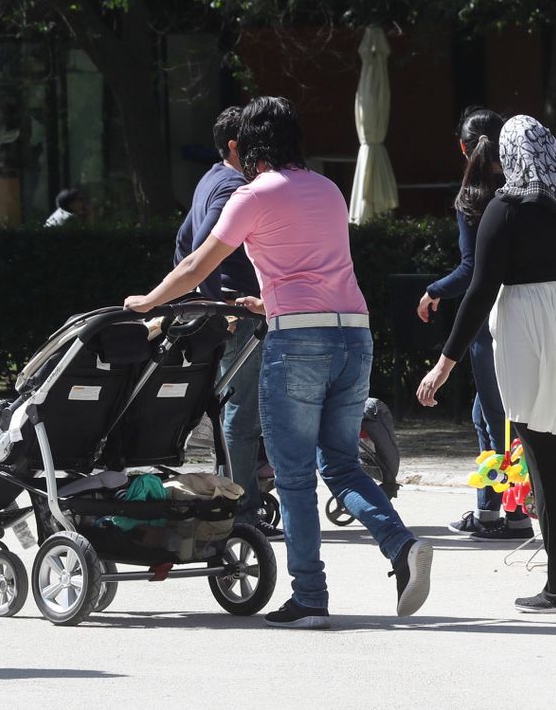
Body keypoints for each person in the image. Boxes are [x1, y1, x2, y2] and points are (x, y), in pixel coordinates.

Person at [125, 96, 432, 628]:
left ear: (252, 144)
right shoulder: (330, 190)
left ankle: (310, 598)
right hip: (354, 335)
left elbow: (199, 263)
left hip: (298, 343)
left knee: (293, 478)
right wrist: (268, 302)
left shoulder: (251, 195)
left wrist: (149, 302)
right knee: (339, 464)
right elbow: (322, 270)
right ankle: (400, 546)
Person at [416, 116, 556, 614]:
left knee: (546, 458)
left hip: (537, 340)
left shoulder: (507, 207)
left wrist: (445, 363)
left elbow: (479, 293)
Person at [417, 107, 533, 541]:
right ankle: (491, 511)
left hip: (491, 321)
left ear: (462, 148)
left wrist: (433, 290)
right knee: (492, 417)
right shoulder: (525, 188)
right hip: (528, 312)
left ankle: (513, 515)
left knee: (499, 419)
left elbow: (471, 270)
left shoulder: (473, 197)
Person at [174, 106, 278, 539]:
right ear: (236, 145)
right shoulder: (234, 186)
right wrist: (217, 304)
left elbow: (182, 242)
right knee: (242, 413)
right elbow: (197, 247)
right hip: (240, 314)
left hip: (228, 312)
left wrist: (197, 299)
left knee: (232, 410)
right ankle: (243, 507)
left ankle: (229, 495)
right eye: (251, 139)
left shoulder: (210, 178)